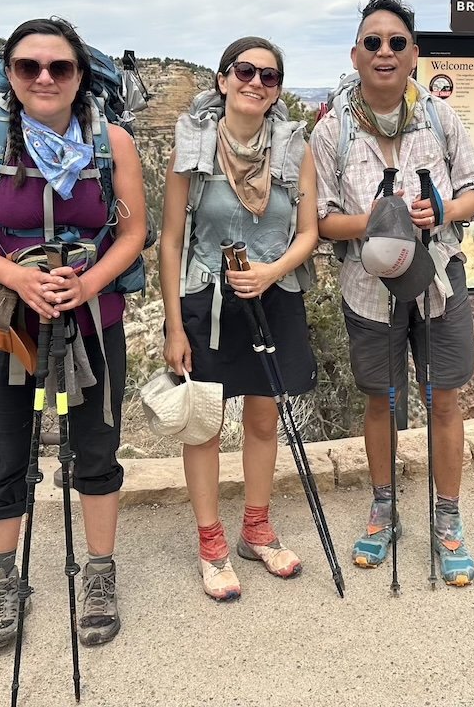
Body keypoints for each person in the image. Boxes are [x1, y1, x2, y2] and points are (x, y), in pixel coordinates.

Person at [0, 17, 146, 651]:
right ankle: (3, 581)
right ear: (9, 75)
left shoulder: (113, 142)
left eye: (59, 67)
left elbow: (133, 233)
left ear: (79, 76)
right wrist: (20, 278)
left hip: (92, 320)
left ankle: (99, 573)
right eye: (29, 66)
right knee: (9, 455)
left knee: (94, 450)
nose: (44, 78)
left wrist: (86, 285)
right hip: (9, 324)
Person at [312, 0, 474, 587]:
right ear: (356, 54)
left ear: (414, 54)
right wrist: (378, 224)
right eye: (372, 43)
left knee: (443, 398)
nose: (384, 52)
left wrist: (439, 212)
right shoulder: (332, 131)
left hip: (438, 281)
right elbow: (319, 220)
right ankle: (384, 507)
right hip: (368, 290)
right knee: (381, 400)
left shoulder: (442, 119)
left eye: (395, 43)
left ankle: (448, 517)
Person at [160, 36, 319, 601]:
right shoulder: (193, 146)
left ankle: (256, 528)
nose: (256, 83)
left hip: (273, 295)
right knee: (203, 425)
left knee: (261, 419)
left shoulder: (295, 149)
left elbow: (308, 233)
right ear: (224, 79)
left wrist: (272, 271)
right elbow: (172, 239)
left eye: (269, 77)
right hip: (208, 300)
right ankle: (211, 544)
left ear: (278, 91)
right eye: (244, 72)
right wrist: (174, 326)